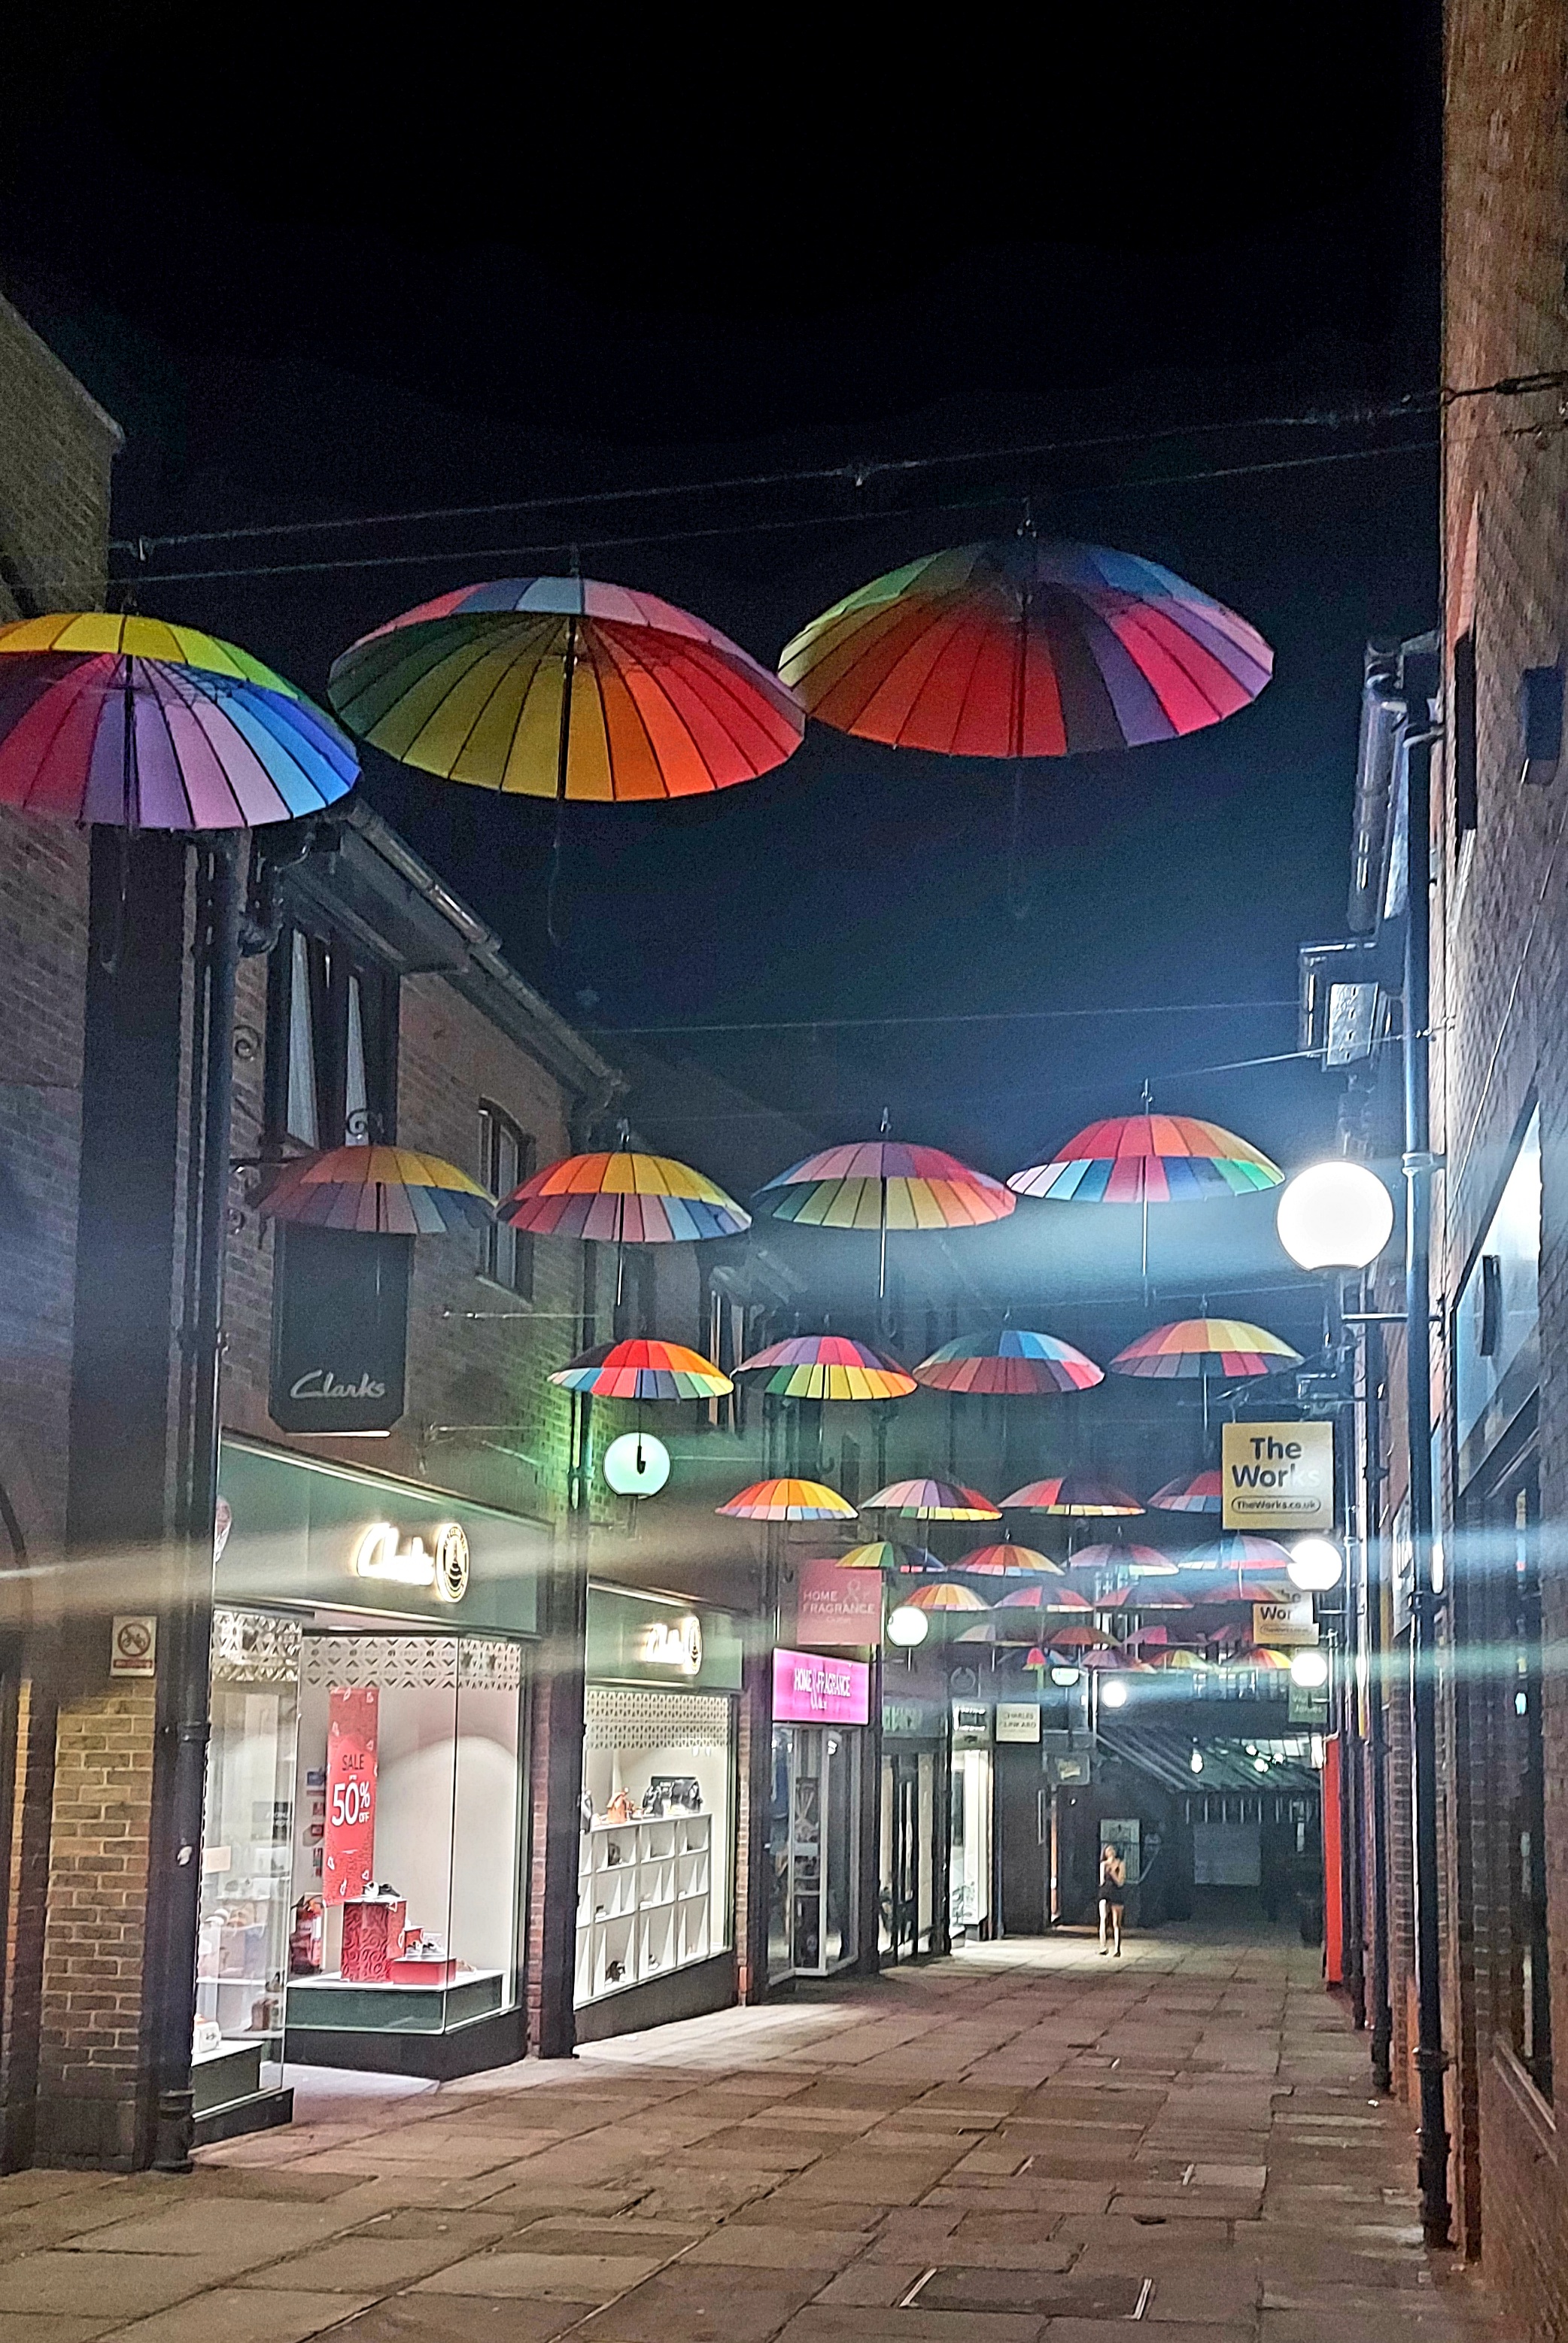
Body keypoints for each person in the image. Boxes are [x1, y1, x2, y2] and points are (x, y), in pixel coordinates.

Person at [1098, 1841, 1127, 1956]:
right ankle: (1103, 1946)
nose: (1111, 1851)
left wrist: (1113, 1874)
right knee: (1103, 1919)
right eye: (1108, 1850)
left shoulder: (1120, 1864)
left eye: (1112, 1849)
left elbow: (1120, 1882)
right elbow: (1102, 1882)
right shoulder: (1103, 1865)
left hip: (1116, 1893)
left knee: (1116, 1923)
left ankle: (1117, 1949)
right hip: (1105, 1893)